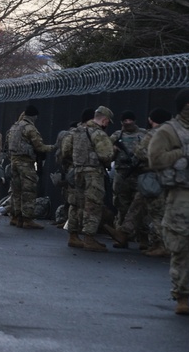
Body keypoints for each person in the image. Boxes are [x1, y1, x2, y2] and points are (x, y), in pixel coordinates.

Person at [148, 88, 189, 315]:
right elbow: (155, 159)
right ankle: (182, 294)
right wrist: (182, 153)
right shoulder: (169, 131)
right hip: (181, 195)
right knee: (182, 246)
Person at [119, 108, 171, 255]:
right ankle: (124, 232)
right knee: (138, 204)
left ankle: (161, 245)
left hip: (152, 177)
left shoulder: (153, 134)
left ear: (151, 120)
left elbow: (140, 152)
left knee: (156, 213)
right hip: (170, 177)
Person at [65, 106, 115, 252]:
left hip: (77, 171)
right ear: (104, 120)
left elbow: (66, 150)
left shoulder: (77, 131)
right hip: (93, 173)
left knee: (75, 204)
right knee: (93, 205)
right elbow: (106, 155)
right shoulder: (98, 133)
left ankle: (73, 235)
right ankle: (89, 238)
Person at [6, 104, 55, 229]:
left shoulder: (14, 126)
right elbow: (39, 146)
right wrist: (54, 147)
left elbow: (7, 144)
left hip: (13, 162)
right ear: (34, 116)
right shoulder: (29, 128)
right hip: (26, 163)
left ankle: (16, 217)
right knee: (28, 191)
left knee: (16, 191)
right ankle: (27, 219)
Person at [110, 111, 146, 232]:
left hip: (139, 173)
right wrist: (114, 151)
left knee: (140, 207)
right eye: (125, 120)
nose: (128, 122)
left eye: (130, 120)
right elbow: (107, 153)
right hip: (122, 174)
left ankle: (142, 236)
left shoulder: (143, 134)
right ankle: (121, 234)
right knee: (121, 205)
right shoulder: (117, 135)